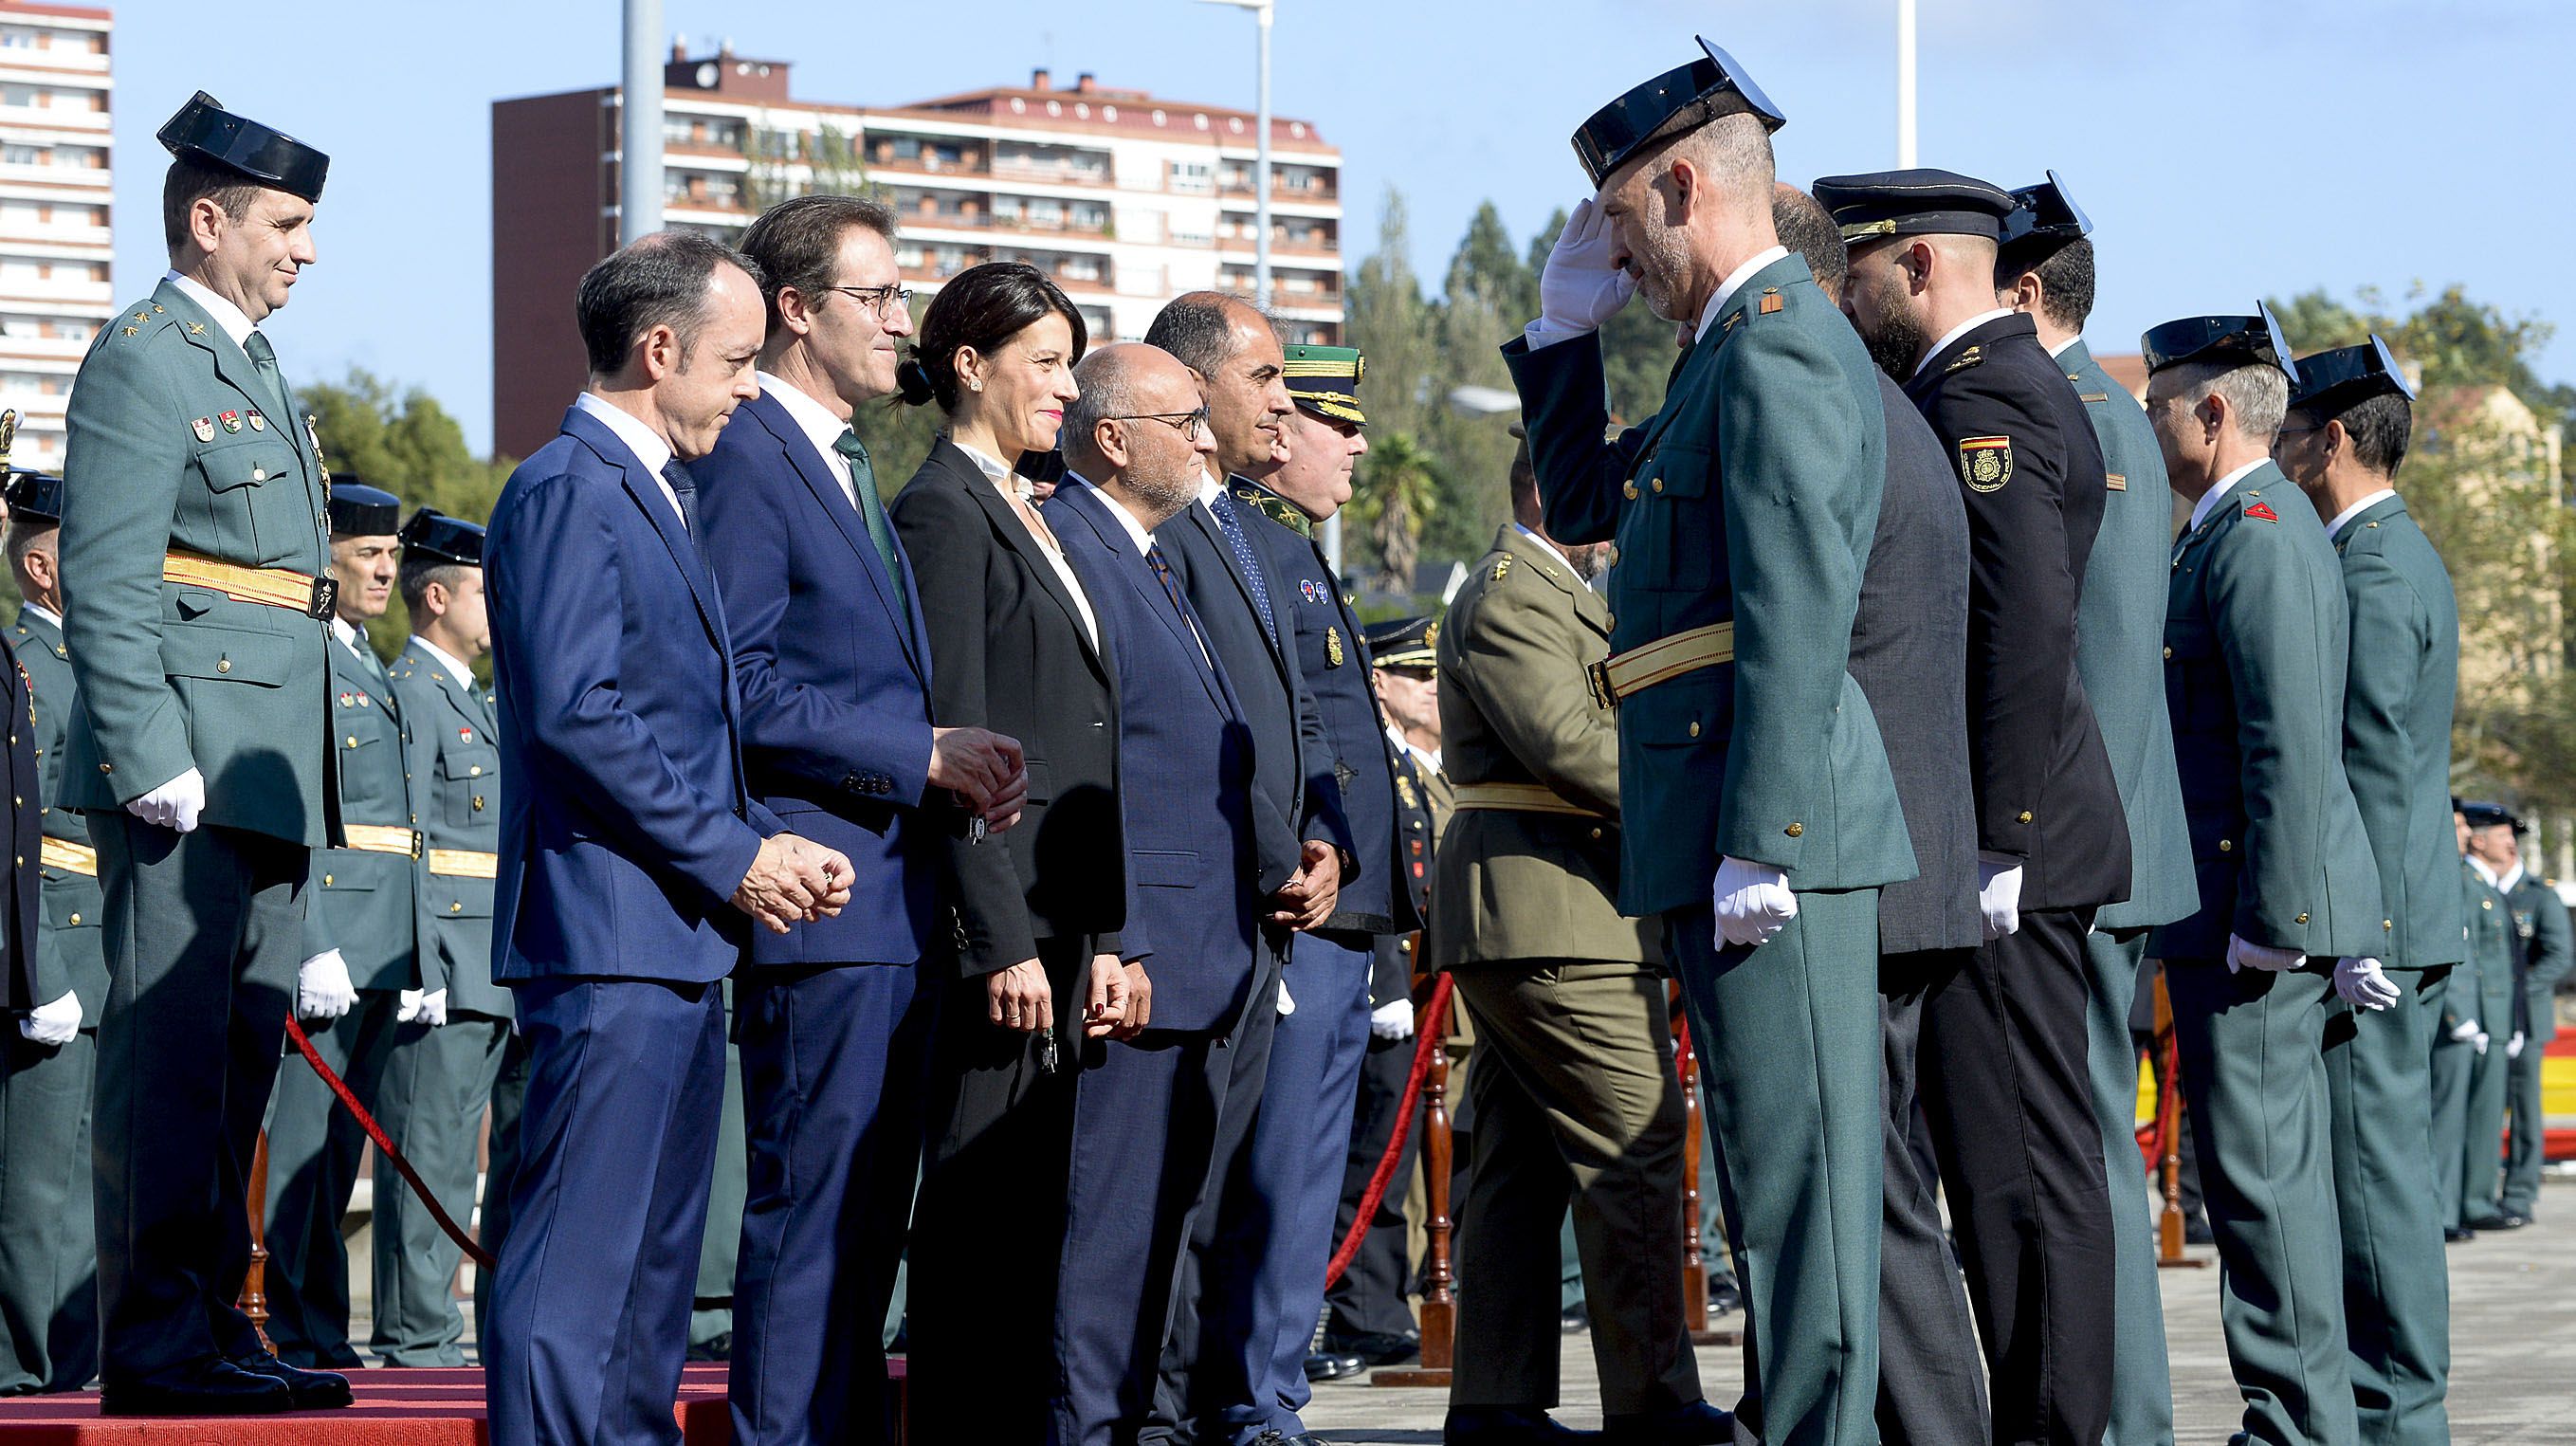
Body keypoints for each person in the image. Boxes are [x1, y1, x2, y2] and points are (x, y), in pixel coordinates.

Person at [1505, 40, 1913, 1446]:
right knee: (1768, 1180)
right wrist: (1560, 336)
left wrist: (1766, 831)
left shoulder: (1784, 342)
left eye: (1619, 227)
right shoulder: (1720, 355)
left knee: (1800, 1199)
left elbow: (1798, 608)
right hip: (1724, 825)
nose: (1615, 258)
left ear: (1684, 184)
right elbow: (1574, 505)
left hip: (1766, 832)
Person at [479, 230, 853, 1446]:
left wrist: (762, 843)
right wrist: (735, 853)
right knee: (575, 1277)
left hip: (675, 940)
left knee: (645, 1289)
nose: (752, 386)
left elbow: (680, 725)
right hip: (608, 941)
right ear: (658, 350)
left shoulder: (652, 490)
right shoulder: (566, 487)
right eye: (738, 361)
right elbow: (578, 716)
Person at [698, 194, 1028, 1445]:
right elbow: (739, 677)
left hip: (889, 902)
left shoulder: (838, 460)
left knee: (862, 1232)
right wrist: (916, 750)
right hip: (822, 903)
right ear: (797, 312)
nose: (903, 319)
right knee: (816, 1221)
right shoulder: (746, 459)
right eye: (879, 296)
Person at [1818, 166, 2133, 1446]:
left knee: (2026, 1172)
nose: (1846, 293)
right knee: (2000, 1162)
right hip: (2010, 836)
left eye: (1858, 269)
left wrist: (2000, 838)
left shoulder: (1987, 391)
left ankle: (2052, 1428)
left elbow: (2021, 629)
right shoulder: (1966, 387)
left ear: (1916, 266)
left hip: (2019, 843)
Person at [61, 92, 349, 1417]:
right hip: (192, 752)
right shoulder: (148, 354)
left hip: (269, 760)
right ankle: (155, 1339)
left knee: (236, 1054)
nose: (304, 249)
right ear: (207, 216)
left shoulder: (250, 362)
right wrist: (143, 747)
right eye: (287, 224)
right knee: (168, 1056)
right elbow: (111, 577)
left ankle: (216, 1322)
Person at [1432, 422, 1726, 1446]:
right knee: (1633, 1149)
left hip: (1561, 904)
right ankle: (1654, 1403)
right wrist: (1699, 786)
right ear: (1554, 491)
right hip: (1553, 909)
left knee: (1520, 1164)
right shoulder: (1515, 588)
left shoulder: (1559, 588)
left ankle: (1495, 1398)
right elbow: (1566, 741)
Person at [884, 261, 1125, 1442]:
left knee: (1038, 1214)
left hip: (1067, 920)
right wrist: (997, 938)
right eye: (1044, 363)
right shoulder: (941, 509)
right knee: (979, 1216)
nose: (1066, 389)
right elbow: (958, 739)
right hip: (1007, 933)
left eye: (1073, 364)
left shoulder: (1032, 503)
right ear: (967, 366)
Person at [1768, 184, 1988, 1446]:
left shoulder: (1828, 394)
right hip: (1901, 855)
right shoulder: (1886, 404)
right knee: (1885, 1185)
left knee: (1869, 1188)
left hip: (1855, 855)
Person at [2144, 305, 2383, 1446]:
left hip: (2251, 914)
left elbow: (2282, 736)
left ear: (2209, 410)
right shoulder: (2230, 525)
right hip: (2244, 907)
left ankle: (2295, 1425)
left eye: (2155, 405)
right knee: (2262, 1182)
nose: (2145, 422)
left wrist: (2276, 917)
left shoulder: (2253, 530)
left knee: (2259, 1184)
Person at [1995, 171, 2198, 1446]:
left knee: (2077, 1152)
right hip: (2124, 837)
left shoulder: (2051, 412)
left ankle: (2118, 1415)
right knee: (2096, 1142)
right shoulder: (2116, 415)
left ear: (2019, 290)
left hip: (2072, 843)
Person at [1044, 341, 1270, 1446]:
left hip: (1203, 944)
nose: (1205, 437)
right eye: (1182, 419)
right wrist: (1113, 933)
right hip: (1141, 954)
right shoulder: (1075, 542)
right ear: (1111, 437)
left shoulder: (1151, 551)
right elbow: (1092, 760)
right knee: (1109, 1240)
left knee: (1164, 1231)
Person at [1139, 291, 1350, 1446]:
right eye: (1266, 377)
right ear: (1196, 387)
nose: (1286, 399)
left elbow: (1297, 721)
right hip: (1201, 904)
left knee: (1254, 1183)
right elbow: (1181, 729)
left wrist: (1326, 836)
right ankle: (1185, 1405)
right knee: (1188, 1185)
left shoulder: (1251, 531)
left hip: (1281, 892)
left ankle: (1243, 1399)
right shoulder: (1158, 532)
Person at [1208, 341, 1427, 1425]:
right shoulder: (1237, 548)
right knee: (1277, 1181)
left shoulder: (1289, 551)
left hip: (1351, 914)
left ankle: (1272, 1390)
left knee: (1303, 1185)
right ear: (1279, 435)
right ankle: (1254, 1399)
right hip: (1301, 915)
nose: (1354, 444)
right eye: (1330, 423)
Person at [2272, 336, 2462, 1443]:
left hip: (2376, 928)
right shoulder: (2382, 553)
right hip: (2381, 918)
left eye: (2290, 431)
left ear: (2328, 440)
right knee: (2366, 1185)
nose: (2278, 448)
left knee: (2372, 1192)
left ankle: (2400, 1416)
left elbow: (2370, 771)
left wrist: (2358, 927)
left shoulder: (2374, 569)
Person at [262, 478, 434, 1372]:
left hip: (383, 944)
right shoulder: (308, 651)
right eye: (368, 554)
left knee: (336, 1158)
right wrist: (311, 935)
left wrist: (421, 950)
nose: (385, 569)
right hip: (331, 942)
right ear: (325, 555)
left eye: (393, 555)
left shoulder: (365, 654)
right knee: (299, 1153)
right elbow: (301, 806)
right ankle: (293, 1327)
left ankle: (320, 1325)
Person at [368, 507, 511, 1369]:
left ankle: (492, 1319)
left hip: (497, 961)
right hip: (450, 962)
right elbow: (405, 839)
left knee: (495, 1160)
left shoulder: (474, 699)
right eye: (482, 591)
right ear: (435, 596)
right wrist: (420, 956)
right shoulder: (411, 695)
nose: (497, 607)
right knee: (433, 1152)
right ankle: (418, 1332)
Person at [1324, 614, 1444, 1369]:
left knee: (1390, 1159)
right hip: (1381, 980)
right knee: (1366, 1156)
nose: (1433, 689)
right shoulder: (1375, 764)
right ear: (1379, 681)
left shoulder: (1407, 767)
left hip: (1416, 984)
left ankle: (1372, 1302)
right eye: (1416, 675)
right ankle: (1351, 1304)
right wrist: (1386, 976)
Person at [0, 466, 84, 1395]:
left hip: (109, 944)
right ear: (42, 566)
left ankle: (76, 1359)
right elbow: (22, 834)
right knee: (36, 1180)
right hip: (56, 937)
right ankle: (24, 1367)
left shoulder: (95, 661)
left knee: (93, 1177)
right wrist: (43, 966)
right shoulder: (22, 664)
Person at [2457, 802, 2539, 1230]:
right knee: (2471, 1117)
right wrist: (2467, 1016)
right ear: (2479, 838)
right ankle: (2468, 1202)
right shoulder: (2470, 884)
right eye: (2502, 833)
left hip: (2498, 1018)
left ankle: (2475, 1199)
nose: (2510, 842)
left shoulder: (2487, 887)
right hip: (2480, 1018)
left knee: (2487, 1117)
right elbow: (2469, 959)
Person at [2494, 814, 2570, 1223]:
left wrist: (2517, 992)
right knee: (2483, 1111)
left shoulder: (2540, 896)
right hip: (2483, 1021)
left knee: (2524, 1113)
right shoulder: (2475, 889)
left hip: (2526, 1019)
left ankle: (2520, 1195)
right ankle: (2479, 1194)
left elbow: (2559, 956)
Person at [2437, 804, 2505, 1240]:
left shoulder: (2467, 877)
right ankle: (2442, 1213)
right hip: (2454, 1018)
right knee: (2445, 1119)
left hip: (2477, 1016)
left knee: (2464, 1119)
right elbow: (2456, 950)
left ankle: (2458, 1207)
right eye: (2458, 826)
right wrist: (2459, 1014)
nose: (2463, 834)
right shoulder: (2451, 877)